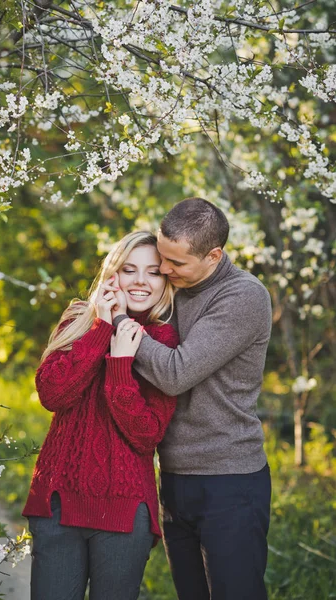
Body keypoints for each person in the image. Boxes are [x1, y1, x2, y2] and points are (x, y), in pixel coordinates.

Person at [112, 198, 273, 600]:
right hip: (174, 477)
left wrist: (120, 323)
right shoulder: (175, 287)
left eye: (176, 263)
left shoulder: (243, 297)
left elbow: (175, 373)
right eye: (162, 258)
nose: (164, 270)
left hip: (229, 481)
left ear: (214, 256)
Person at [22, 231, 179, 600]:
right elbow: (53, 394)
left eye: (153, 272)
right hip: (57, 500)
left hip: (125, 510)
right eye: (129, 269)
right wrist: (101, 328)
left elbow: (146, 434)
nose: (141, 280)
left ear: (165, 281)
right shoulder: (79, 319)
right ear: (113, 275)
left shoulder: (163, 339)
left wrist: (122, 365)